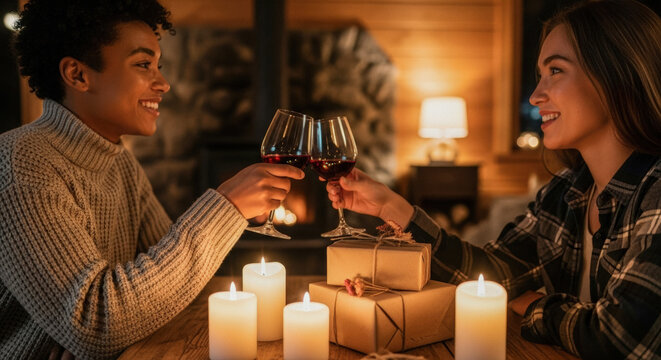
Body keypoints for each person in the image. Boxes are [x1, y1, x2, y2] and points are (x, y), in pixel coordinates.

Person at [326, 0, 661, 358]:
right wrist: (396, 208)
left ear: (616, 76)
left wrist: (538, 307)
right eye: (540, 74)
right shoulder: (567, 191)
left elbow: (618, 339)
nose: (536, 95)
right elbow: (494, 274)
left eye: (557, 71)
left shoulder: (655, 194)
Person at [0, 0, 304, 359]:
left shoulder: (119, 164)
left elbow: (171, 286)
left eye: (158, 65)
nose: (163, 84)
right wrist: (227, 205)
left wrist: (106, 333)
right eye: (144, 65)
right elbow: (97, 324)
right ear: (78, 75)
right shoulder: (20, 165)